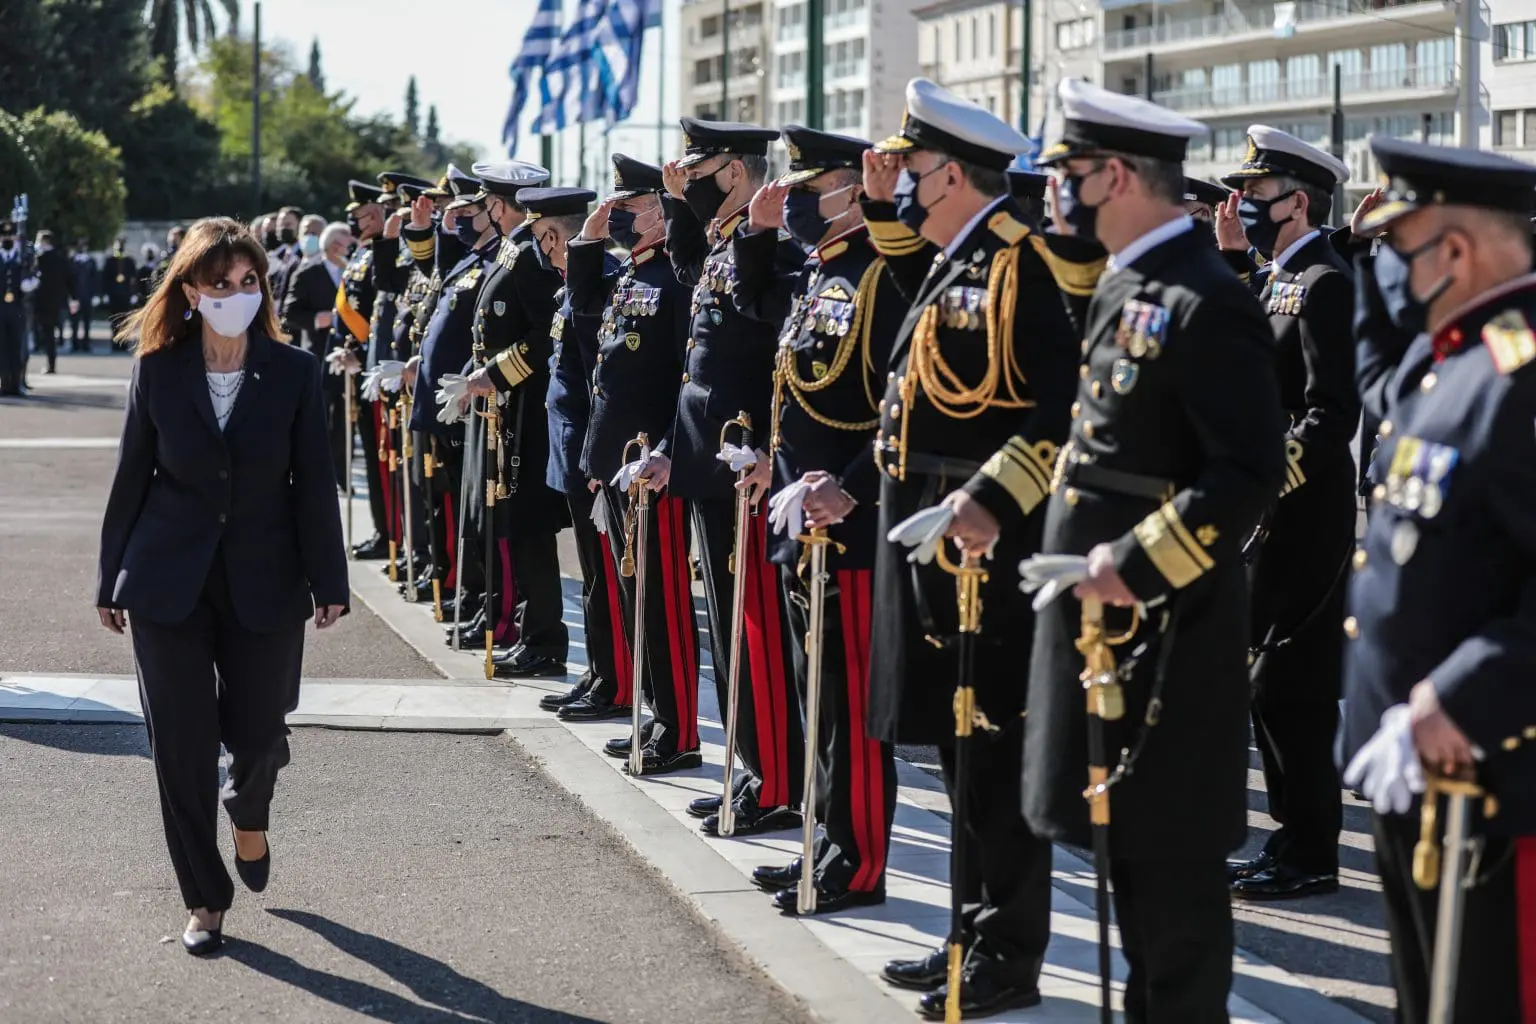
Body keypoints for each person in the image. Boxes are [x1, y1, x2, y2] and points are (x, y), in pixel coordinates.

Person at [1027, 78, 1285, 1022]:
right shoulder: (1127, 280)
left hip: (1166, 634)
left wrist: (1133, 566)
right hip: (1110, 635)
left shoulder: (1205, 297)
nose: (1061, 196)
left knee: (1172, 890)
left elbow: (1248, 470)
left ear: (1121, 175)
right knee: (1127, 861)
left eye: (1074, 176)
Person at [860, 79, 1082, 1019]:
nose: (901, 183)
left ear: (952, 172)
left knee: (989, 746)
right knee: (955, 752)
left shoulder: (1019, 265)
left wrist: (991, 503)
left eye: (911, 170)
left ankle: (1006, 952)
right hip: (929, 524)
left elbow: (1059, 412)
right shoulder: (958, 259)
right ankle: (966, 931)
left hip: (985, 540)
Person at [95, 216, 348, 957]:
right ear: (192, 291)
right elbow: (130, 477)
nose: (236, 294)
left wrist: (328, 578)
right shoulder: (158, 367)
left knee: (262, 735)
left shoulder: (295, 372)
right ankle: (205, 900)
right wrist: (111, 577)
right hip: (166, 580)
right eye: (220, 284)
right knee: (178, 746)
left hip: (266, 579)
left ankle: (249, 807)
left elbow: (313, 485)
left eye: (248, 283)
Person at [1340, 137, 1536, 1024]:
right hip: (1413, 773)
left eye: (1400, 249)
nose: (1391, 274)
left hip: (1489, 782)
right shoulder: (1445, 359)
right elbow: (1375, 368)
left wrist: (1457, 697)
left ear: (1454, 252)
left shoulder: (1518, 376)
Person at [731, 126, 904, 914]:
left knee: (852, 706)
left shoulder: (882, 276)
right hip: (803, 518)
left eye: (804, 190)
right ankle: (822, 842)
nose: (793, 200)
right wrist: (759, 236)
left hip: (852, 526)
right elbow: (771, 331)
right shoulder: (820, 274)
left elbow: (903, 408)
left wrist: (859, 488)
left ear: (847, 189)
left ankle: (857, 863)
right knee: (817, 696)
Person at [635, 116, 808, 792]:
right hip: (709, 459)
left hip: (746, 465)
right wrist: (679, 204)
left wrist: (770, 450)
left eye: (698, 174)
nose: (686, 184)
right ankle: (754, 767)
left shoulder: (777, 250)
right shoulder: (724, 243)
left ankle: (777, 780)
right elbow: (690, 291)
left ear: (736, 172)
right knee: (731, 632)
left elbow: (781, 361)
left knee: (757, 630)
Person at [1218, 126, 1358, 902]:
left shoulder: (1326, 282)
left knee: (1292, 685)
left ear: (1297, 201)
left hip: (1307, 509)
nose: (1242, 204)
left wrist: (1272, 477)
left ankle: (1312, 849)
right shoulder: (1278, 277)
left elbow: (1330, 410)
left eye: (1256, 194)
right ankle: (1291, 838)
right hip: (1271, 509)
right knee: (1266, 684)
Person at [566, 154, 698, 727]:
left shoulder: (674, 276)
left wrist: (668, 447)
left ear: (662, 211)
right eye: (614, 206)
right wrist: (586, 245)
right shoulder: (630, 273)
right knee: (633, 596)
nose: (615, 215)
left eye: (628, 207)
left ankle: (677, 726)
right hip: (618, 462)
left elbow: (686, 375)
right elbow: (586, 323)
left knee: (662, 602)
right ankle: (656, 713)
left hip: (652, 466)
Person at [460, 167, 572, 678]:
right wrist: (475, 373)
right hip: (505, 408)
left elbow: (545, 335)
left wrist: (498, 374)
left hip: (527, 408)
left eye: (488, 202)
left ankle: (545, 640)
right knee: (515, 526)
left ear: (500, 206)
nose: (486, 210)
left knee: (530, 526)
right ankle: (532, 632)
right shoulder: (513, 249)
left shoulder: (531, 255)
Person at [283, 219, 356, 489]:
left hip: (346, 355)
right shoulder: (307, 272)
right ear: (334, 245)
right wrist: (316, 319)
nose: (350, 248)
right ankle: (314, 475)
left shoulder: (353, 272)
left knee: (344, 420)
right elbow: (289, 312)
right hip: (316, 354)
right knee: (318, 418)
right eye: (346, 243)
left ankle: (342, 475)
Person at [0, 220, 37, 396]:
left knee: (17, 346)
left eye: (10, 235)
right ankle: (4, 383)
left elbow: (34, 275)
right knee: (2, 347)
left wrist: (29, 282)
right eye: (3, 235)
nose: (7, 238)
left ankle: (17, 383)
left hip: (17, 307)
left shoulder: (24, 256)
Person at [31, 230, 74, 375]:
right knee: (50, 333)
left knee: (44, 332)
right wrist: (73, 298)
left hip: (41, 302)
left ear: (43, 241)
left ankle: (49, 363)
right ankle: (51, 363)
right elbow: (69, 280)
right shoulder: (60, 259)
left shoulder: (39, 259)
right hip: (56, 302)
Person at [103, 238, 138, 344]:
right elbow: (105, 278)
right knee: (114, 319)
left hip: (125, 293)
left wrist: (133, 294)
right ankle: (114, 341)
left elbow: (134, 278)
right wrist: (105, 294)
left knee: (124, 318)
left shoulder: (130, 261)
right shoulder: (110, 261)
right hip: (113, 294)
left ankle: (123, 341)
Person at [68, 238, 98, 352]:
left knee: (86, 322)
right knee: (74, 322)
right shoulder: (71, 261)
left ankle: (86, 344)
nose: (82, 248)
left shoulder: (91, 261)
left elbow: (95, 279)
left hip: (87, 296)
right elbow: (68, 279)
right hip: (74, 296)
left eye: (84, 245)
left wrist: (95, 295)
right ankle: (74, 344)